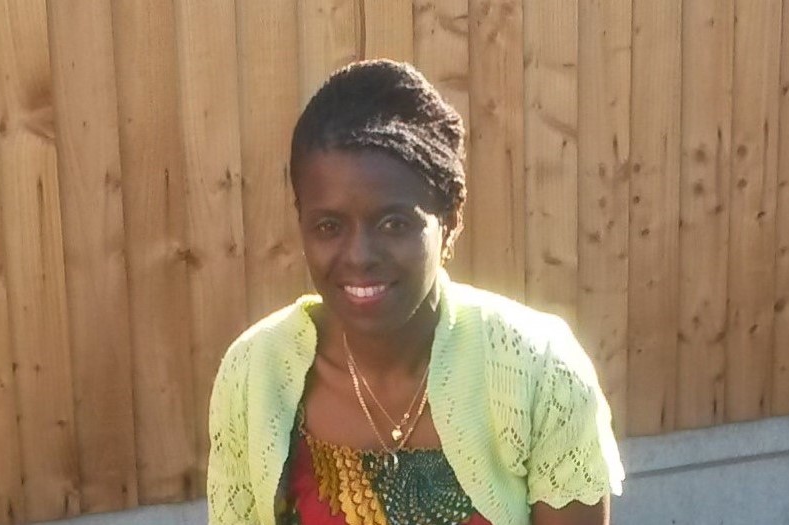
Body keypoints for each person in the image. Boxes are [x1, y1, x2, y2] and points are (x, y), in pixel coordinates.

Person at [207, 59, 624, 525]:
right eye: (329, 226)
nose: (360, 255)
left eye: (394, 223)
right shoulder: (252, 374)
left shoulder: (541, 371)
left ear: (449, 224)